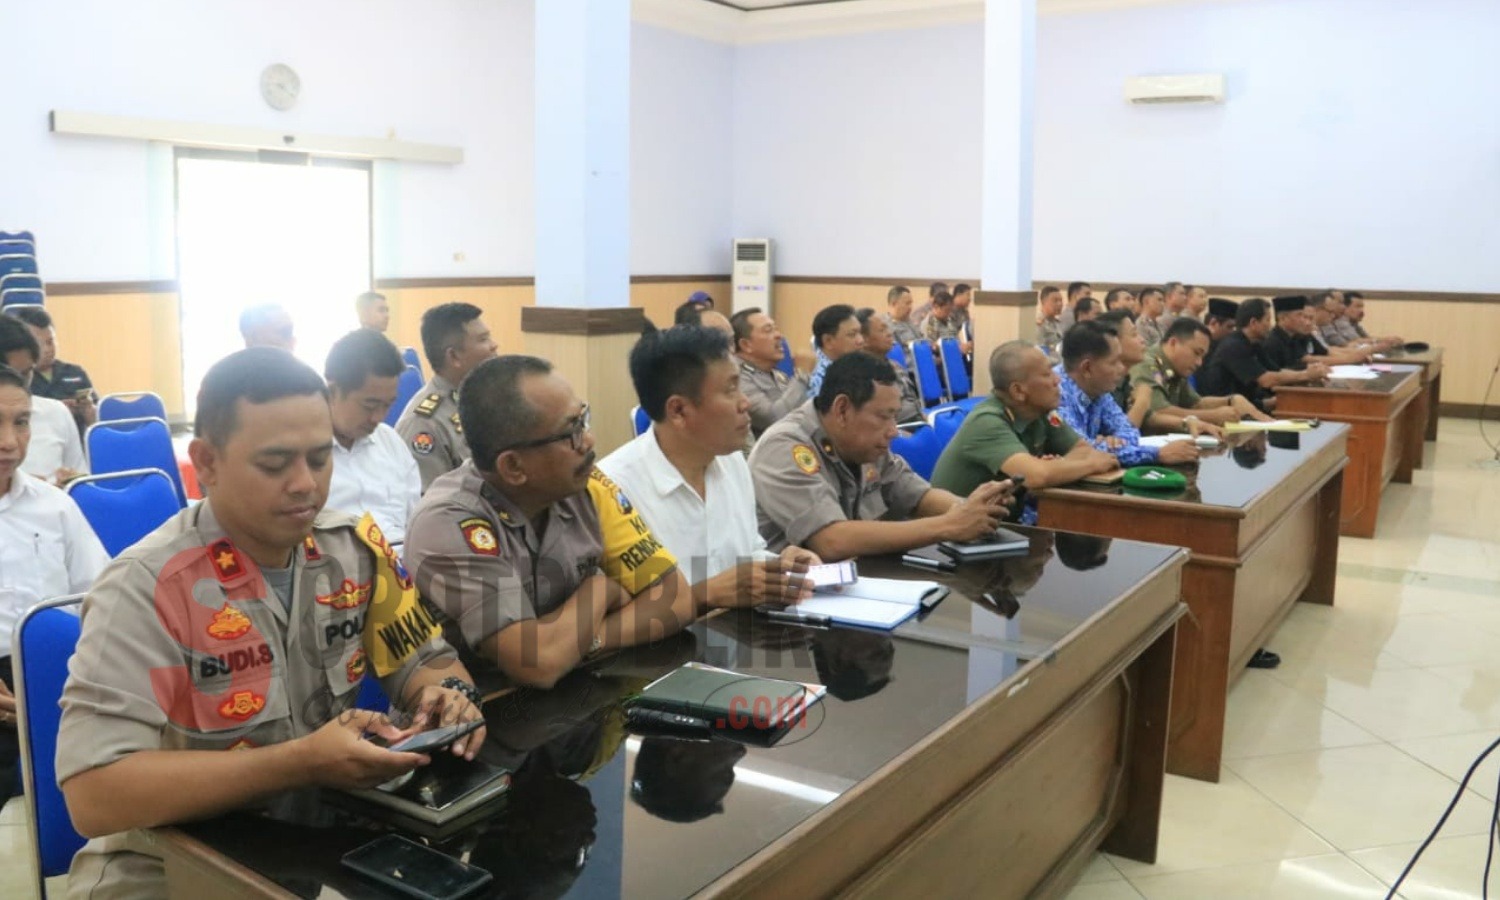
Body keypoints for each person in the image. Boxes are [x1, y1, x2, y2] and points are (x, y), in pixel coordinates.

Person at [56, 348, 486, 896]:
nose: (306, 483)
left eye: (318, 457)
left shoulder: (354, 551)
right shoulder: (148, 586)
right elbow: (95, 795)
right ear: (206, 462)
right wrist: (301, 763)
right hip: (166, 869)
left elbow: (433, 665)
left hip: (311, 858)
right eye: (276, 463)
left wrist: (444, 700)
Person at [404, 356, 723, 690]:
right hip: (484, 718)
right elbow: (535, 664)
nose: (588, 440)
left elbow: (674, 599)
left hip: (576, 698)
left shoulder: (585, 486)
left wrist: (584, 641)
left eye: (582, 419)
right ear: (513, 466)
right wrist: (598, 591)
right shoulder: (449, 522)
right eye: (570, 432)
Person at [598, 326, 818, 611]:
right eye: (730, 390)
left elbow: (744, 555)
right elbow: (620, 614)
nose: (745, 402)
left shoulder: (731, 460)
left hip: (734, 641)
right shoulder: (613, 490)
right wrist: (705, 594)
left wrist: (779, 564)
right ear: (678, 411)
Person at [750, 353, 1014, 560]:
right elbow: (831, 540)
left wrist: (973, 510)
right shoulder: (785, 446)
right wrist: (949, 524)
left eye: (894, 417)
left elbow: (916, 495)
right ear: (842, 409)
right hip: (784, 606)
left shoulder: (864, 443)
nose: (893, 431)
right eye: (883, 416)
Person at [0, 364, 109, 803]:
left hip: (58, 676)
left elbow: (101, 599)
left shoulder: (55, 508)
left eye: (21, 422)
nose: (9, 442)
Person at [931, 342, 1117, 522]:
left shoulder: (1040, 412)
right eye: (1047, 374)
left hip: (999, 526)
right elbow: (1037, 476)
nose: (1057, 380)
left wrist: (1057, 467)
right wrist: (1090, 465)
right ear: (1019, 390)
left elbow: (1082, 450)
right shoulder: (987, 421)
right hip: (953, 534)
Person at [1055, 322, 1199, 468]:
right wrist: (1156, 454)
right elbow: (1084, 453)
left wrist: (1113, 442)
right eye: (1114, 362)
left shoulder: (1097, 389)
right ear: (1087, 368)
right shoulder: (1055, 393)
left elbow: (1129, 430)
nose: (1121, 368)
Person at [324, 330, 421, 543]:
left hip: (403, 562)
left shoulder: (390, 442)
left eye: (388, 405)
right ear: (332, 391)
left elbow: (415, 519)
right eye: (369, 405)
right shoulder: (302, 453)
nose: (378, 417)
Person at [395, 302, 498, 490]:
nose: (494, 345)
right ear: (454, 356)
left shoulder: (487, 399)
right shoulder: (424, 423)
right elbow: (432, 505)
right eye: (483, 339)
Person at [1128, 318, 1271, 430]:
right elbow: (1159, 411)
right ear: (1173, 343)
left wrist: (1231, 400)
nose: (1199, 363)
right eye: (1197, 353)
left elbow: (1195, 403)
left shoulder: (1175, 366)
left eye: (1202, 356)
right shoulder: (1147, 364)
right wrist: (1212, 416)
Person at [1197, 298, 1329, 411]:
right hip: (1226, 409)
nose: (1270, 325)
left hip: (1251, 404)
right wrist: (1305, 375)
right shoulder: (1233, 345)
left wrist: (1309, 376)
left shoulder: (1255, 344)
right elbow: (1267, 380)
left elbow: (1277, 371)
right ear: (1253, 323)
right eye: (1267, 320)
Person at [0, 316, 85, 484]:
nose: (21, 385)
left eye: (27, 373)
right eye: (12, 376)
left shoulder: (57, 412)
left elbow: (82, 479)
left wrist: (69, 486)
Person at [6, 306, 96, 431]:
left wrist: (89, 414)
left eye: (50, 341)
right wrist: (57, 411)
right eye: (40, 344)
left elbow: (95, 419)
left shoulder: (75, 372)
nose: (48, 349)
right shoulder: (19, 378)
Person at [731, 307, 809, 438]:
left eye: (776, 329)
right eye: (768, 330)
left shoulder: (778, 375)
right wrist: (802, 374)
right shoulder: (737, 376)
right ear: (746, 345)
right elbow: (773, 419)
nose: (779, 335)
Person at [856, 307, 924, 423]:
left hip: (916, 422)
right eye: (882, 330)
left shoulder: (895, 366)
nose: (889, 334)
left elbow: (913, 401)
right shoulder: (864, 375)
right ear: (864, 340)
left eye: (887, 328)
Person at [807, 303, 865, 396]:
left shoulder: (849, 366)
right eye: (852, 334)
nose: (861, 340)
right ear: (828, 341)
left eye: (860, 333)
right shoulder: (816, 378)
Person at [884, 285, 922, 353]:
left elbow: (921, 342)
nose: (910, 307)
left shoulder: (910, 322)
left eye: (911, 303)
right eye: (907, 303)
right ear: (894, 304)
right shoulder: (886, 328)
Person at [1036, 286, 1065, 357]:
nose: (1059, 304)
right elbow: (1040, 352)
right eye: (1055, 301)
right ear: (1043, 302)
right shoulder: (1039, 324)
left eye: (1061, 301)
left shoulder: (1058, 323)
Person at [950, 283, 975, 354]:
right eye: (968, 294)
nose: (970, 299)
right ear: (958, 294)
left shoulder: (964, 312)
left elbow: (967, 332)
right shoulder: (948, 310)